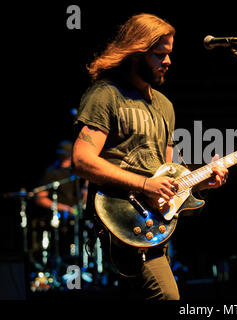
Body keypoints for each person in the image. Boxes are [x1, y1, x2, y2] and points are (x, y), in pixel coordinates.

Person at [72, 13, 228, 300]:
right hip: (119, 217)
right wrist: (144, 185)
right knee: (168, 296)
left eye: (168, 54)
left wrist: (202, 182)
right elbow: (82, 160)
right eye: (159, 55)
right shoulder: (106, 95)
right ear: (136, 54)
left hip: (153, 224)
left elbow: (169, 175)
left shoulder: (165, 106)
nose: (167, 62)